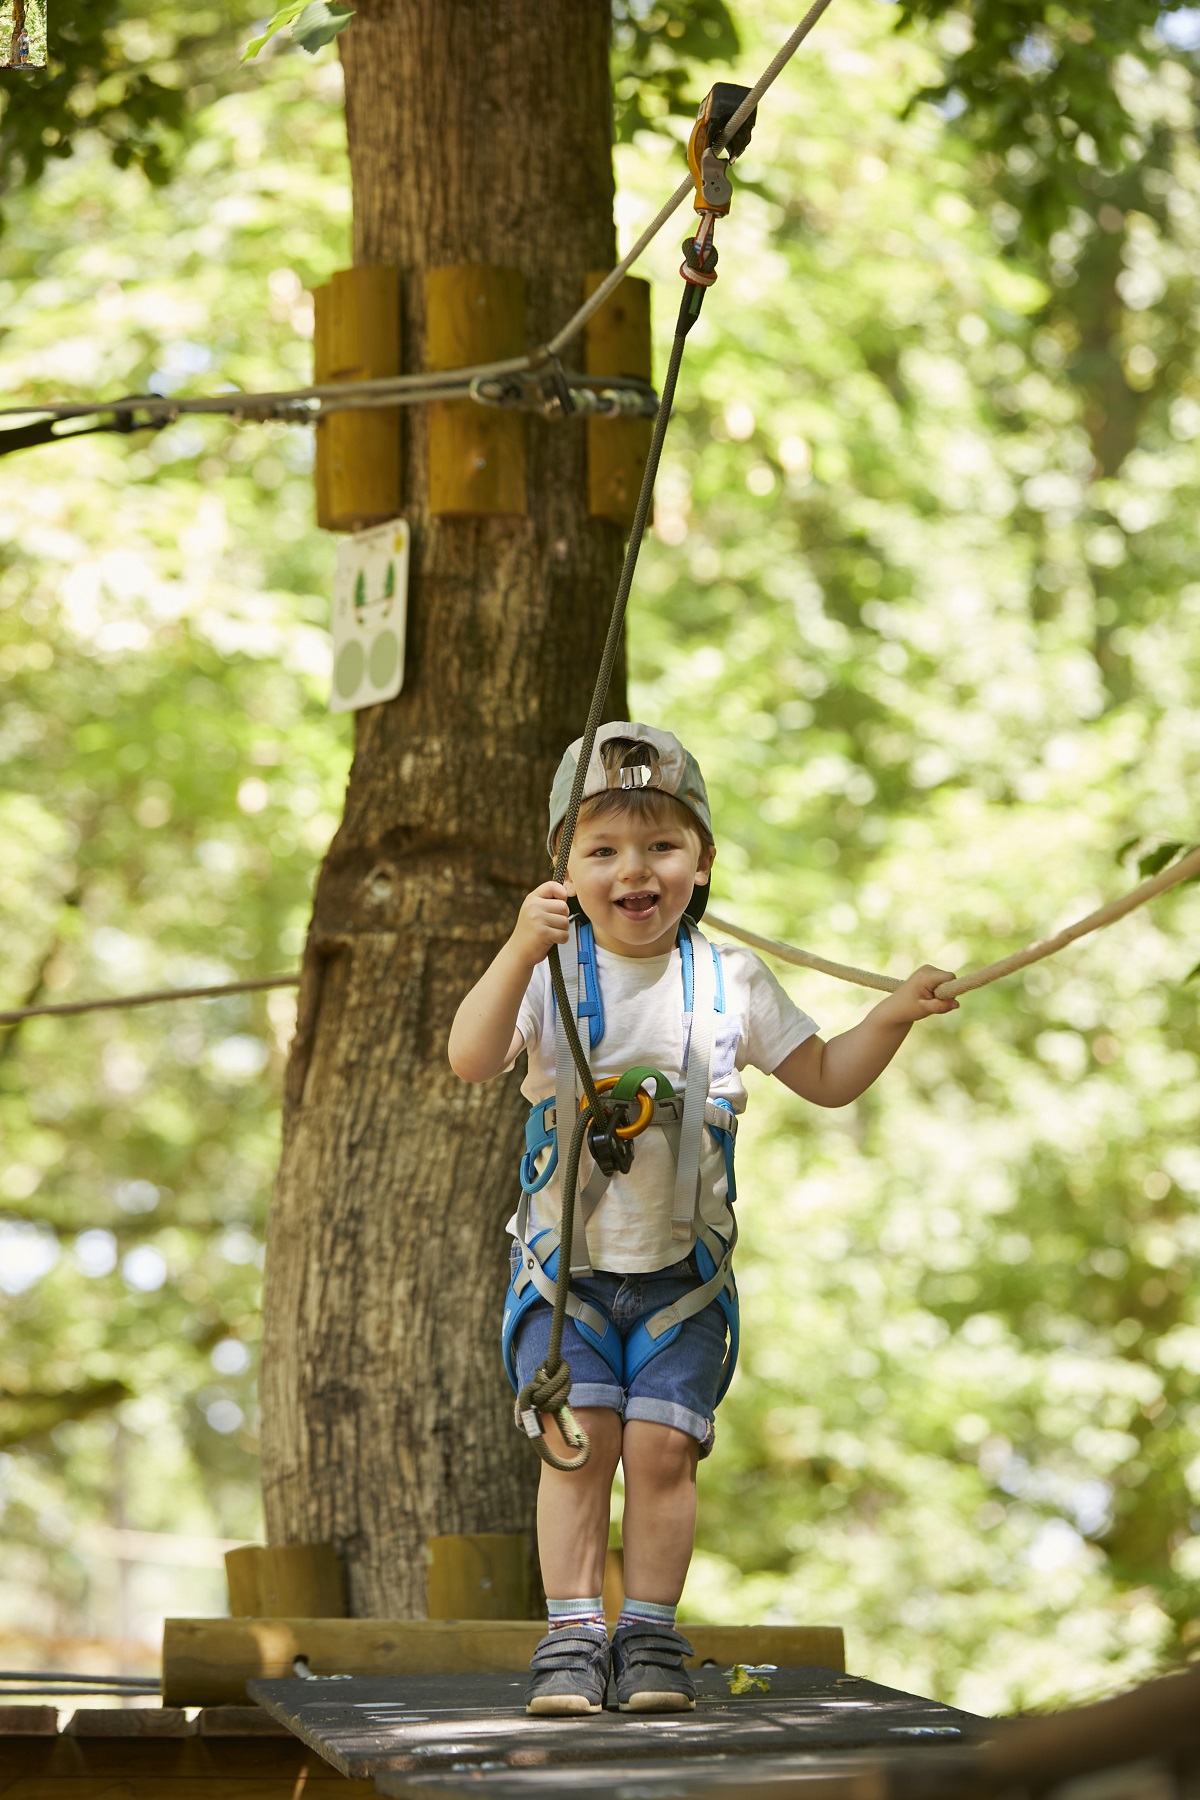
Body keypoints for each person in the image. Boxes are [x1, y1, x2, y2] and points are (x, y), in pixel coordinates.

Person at [448, 721, 957, 1718]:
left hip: (685, 1281)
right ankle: (569, 1642)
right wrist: (518, 945)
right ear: (564, 870)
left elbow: (825, 1078)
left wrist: (889, 1017)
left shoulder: (732, 984)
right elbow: (470, 1056)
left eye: (659, 847)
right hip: (568, 1278)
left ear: (702, 862)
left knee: (663, 1452)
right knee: (580, 1441)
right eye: (601, 852)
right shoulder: (548, 979)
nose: (632, 870)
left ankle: (647, 1638)